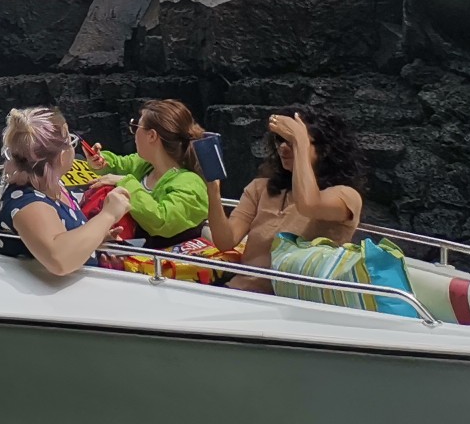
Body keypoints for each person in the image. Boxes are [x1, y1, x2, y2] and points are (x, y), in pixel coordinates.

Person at [205, 108, 365, 290]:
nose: (282, 147)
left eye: (290, 141)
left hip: (295, 302)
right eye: (279, 140)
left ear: (324, 150)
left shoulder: (345, 195)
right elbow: (226, 241)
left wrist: (300, 141)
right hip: (241, 290)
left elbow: (309, 204)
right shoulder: (260, 188)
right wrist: (213, 189)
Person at [0, 106, 131, 275]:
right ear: (60, 155)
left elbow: (64, 235)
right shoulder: (28, 203)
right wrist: (109, 214)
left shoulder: (52, 187)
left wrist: (97, 237)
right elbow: (59, 259)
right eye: (70, 141)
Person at [78, 99, 212, 246]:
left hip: (160, 261)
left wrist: (125, 183)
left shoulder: (190, 183)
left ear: (152, 136)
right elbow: (118, 164)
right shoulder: (145, 165)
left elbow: (162, 222)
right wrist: (100, 160)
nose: (133, 133)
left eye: (136, 126)